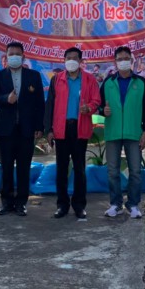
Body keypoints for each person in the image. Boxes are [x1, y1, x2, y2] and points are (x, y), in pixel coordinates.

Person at [44, 47, 101, 221]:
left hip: (80, 128)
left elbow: (96, 101)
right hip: (61, 128)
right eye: (68, 57)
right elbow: (50, 105)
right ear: (64, 60)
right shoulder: (57, 79)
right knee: (61, 169)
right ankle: (62, 205)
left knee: (79, 169)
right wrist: (49, 130)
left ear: (81, 61)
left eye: (75, 58)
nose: (71, 61)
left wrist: (89, 108)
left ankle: (79, 205)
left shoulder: (89, 79)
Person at [0, 42, 45, 217]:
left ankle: (21, 203)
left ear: (23, 56)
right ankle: (6, 203)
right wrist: (7, 99)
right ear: (6, 57)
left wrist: (39, 126)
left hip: (26, 130)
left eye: (17, 54)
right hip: (5, 130)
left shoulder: (33, 76)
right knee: (6, 168)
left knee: (24, 168)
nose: (14, 56)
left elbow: (39, 103)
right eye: (11, 54)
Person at [100, 46, 145, 219]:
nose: (123, 61)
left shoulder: (140, 82)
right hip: (113, 132)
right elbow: (99, 106)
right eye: (120, 58)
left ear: (131, 60)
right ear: (115, 61)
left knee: (135, 171)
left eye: (126, 58)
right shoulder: (108, 82)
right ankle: (116, 204)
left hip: (134, 132)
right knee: (112, 171)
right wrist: (103, 111)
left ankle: (133, 204)